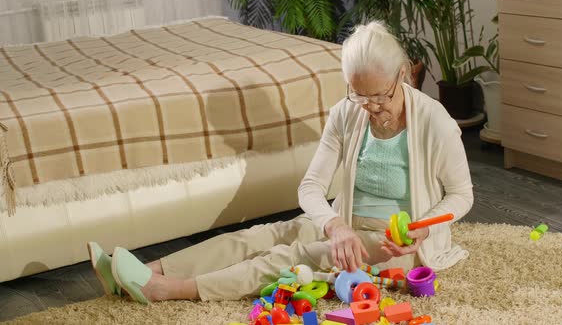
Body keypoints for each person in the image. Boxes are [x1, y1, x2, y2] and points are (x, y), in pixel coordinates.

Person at [86, 21, 473, 304]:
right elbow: (310, 188)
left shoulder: (433, 120)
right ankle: (149, 270)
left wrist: (422, 228)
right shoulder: (345, 112)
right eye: (360, 96)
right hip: (348, 219)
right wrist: (335, 226)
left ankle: (173, 290)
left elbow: (461, 195)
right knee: (261, 235)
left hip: (397, 247)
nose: (370, 108)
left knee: (293, 257)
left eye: (381, 97)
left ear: (402, 76)